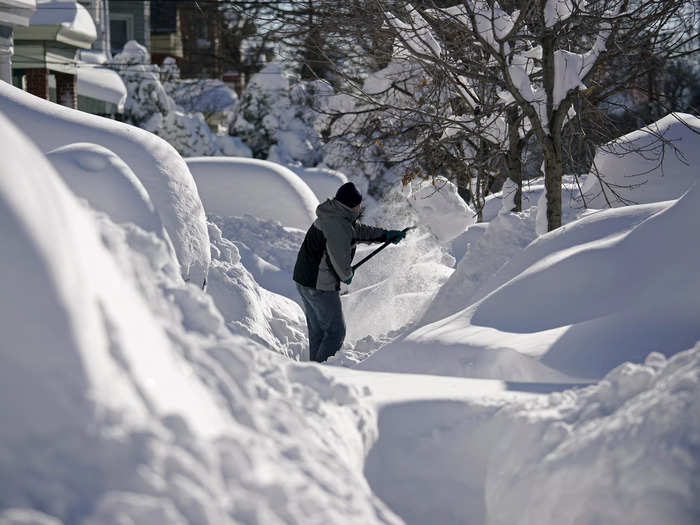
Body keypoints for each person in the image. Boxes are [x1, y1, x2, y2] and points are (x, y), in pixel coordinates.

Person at [293, 182, 406, 362]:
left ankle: (312, 370)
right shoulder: (337, 225)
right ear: (354, 205)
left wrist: (385, 235)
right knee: (336, 332)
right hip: (318, 284)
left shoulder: (335, 215)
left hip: (304, 280)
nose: (360, 207)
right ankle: (322, 372)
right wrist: (346, 274)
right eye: (359, 203)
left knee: (319, 331)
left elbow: (357, 231)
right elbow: (338, 256)